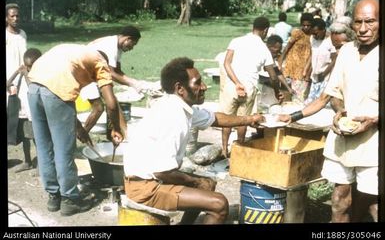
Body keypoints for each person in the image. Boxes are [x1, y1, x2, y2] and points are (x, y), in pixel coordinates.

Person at [123, 57, 266, 224]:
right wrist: (196, 181)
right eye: (197, 83)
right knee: (219, 204)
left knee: (208, 184)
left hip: (152, 179)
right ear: (180, 88)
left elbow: (215, 118)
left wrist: (249, 119)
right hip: (145, 188)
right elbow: (162, 171)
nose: (204, 87)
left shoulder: (178, 105)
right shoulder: (173, 117)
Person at [281, 0, 379, 222]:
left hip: (374, 143)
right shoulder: (346, 51)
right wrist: (293, 116)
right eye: (358, 22)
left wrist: (373, 120)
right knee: (339, 200)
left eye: (370, 21)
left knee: (374, 206)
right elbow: (330, 95)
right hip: (343, 139)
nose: (363, 29)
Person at [27, 44, 125, 216]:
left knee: (43, 147)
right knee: (64, 150)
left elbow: (66, 108)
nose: (95, 82)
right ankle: (69, 199)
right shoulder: (100, 62)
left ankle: (53, 197)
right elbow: (110, 103)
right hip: (56, 91)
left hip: (34, 87)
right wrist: (116, 128)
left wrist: (80, 129)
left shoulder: (75, 53)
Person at [220, 17, 282, 158]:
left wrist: (236, 82)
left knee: (227, 119)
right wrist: (277, 92)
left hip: (232, 86)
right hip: (249, 87)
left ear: (253, 27)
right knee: (243, 120)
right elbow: (273, 76)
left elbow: (226, 63)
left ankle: (224, 150)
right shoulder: (264, 49)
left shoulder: (236, 41)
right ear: (265, 30)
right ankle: (239, 149)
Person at [7, 48, 42, 173]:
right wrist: (17, 72)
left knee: (36, 139)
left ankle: (41, 165)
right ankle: (27, 161)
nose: (28, 68)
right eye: (27, 66)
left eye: (30, 66)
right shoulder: (21, 74)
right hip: (22, 112)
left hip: (33, 113)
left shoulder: (37, 75)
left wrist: (26, 73)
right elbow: (7, 84)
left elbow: (32, 88)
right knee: (24, 139)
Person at [278, 12, 313, 102]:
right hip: (293, 66)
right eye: (304, 25)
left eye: (308, 25)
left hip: (304, 68)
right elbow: (287, 47)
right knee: (289, 93)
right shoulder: (297, 33)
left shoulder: (313, 35)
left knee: (301, 96)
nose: (306, 27)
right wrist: (280, 61)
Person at [305, 18, 336, 104]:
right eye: (312, 33)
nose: (314, 36)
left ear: (323, 30)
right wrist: (307, 72)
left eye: (316, 33)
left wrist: (324, 74)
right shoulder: (312, 39)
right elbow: (313, 56)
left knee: (320, 104)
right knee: (309, 103)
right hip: (315, 78)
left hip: (326, 79)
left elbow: (334, 60)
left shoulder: (330, 41)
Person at [6, 3, 27, 103]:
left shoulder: (23, 34)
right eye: (12, 16)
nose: (15, 18)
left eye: (17, 16)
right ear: (6, 18)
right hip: (10, 75)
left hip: (23, 73)